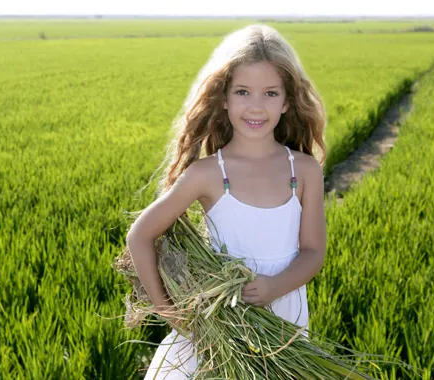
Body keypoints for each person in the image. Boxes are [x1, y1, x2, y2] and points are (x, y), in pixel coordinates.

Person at [125, 24, 327, 379]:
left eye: (270, 93)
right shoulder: (208, 174)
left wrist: (273, 288)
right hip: (219, 331)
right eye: (243, 92)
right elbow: (140, 235)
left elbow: (313, 252)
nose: (255, 106)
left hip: (282, 329)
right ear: (224, 98)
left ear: (287, 101)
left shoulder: (305, 170)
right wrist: (171, 313)